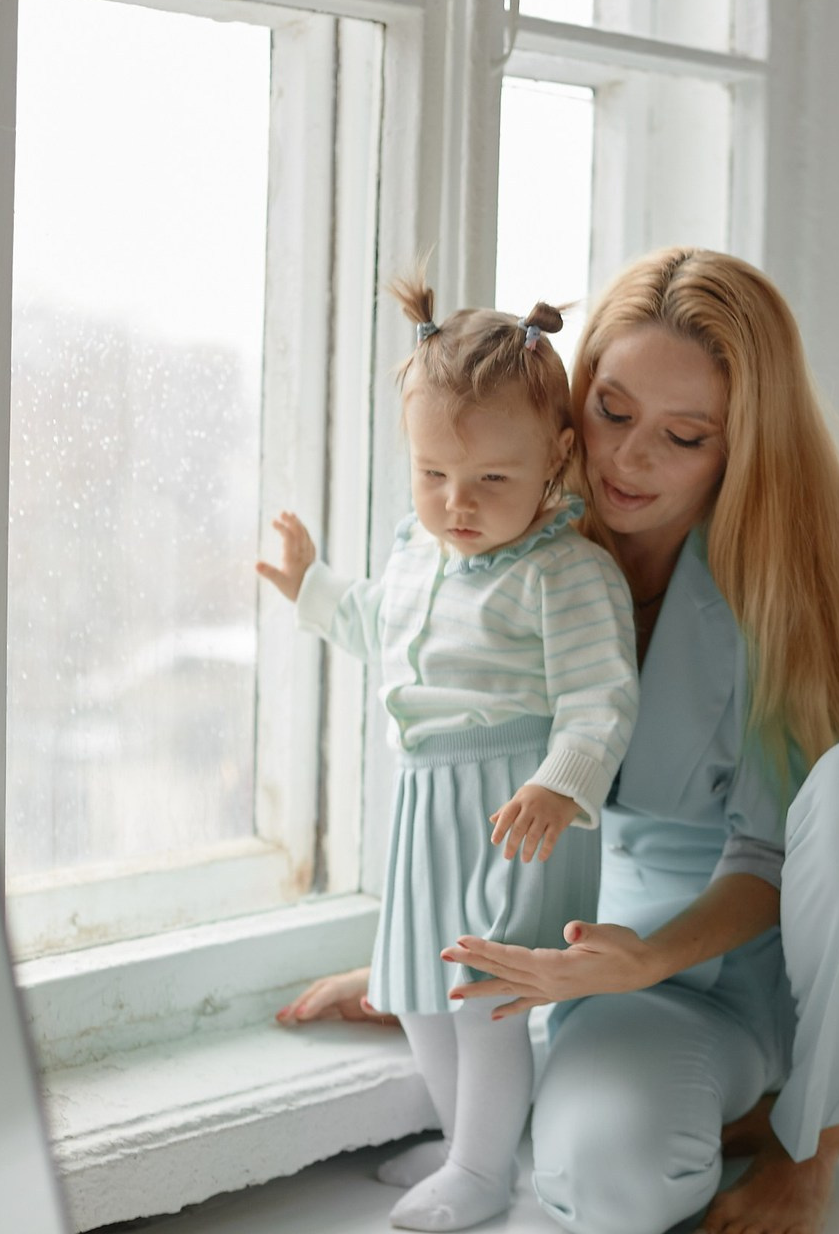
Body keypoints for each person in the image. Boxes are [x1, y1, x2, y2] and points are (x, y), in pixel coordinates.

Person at [281, 248, 839, 1234]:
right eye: (612, 411)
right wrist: (424, 955)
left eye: (681, 435)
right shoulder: (524, 554)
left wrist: (806, 1153)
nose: (629, 459)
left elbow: (765, 858)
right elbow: (483, 776)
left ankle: (813, 1128)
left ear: (739, 445)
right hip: (646, 972)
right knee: (604, 1186)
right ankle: (743, 1105)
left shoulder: (779, 587)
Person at [257, 273, 639, 1234]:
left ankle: (481, 1169)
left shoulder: (565, 572)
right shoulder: (421, 553)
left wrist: (561, 787)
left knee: (483, 995)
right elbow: (376, 625)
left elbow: (601, 701)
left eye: (490, 482)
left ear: (556, 459)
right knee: (419, 987)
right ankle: (465, 1138)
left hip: (515, 809)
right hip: (425, 803)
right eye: (434, 476)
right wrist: (314, 588)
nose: (456, 504)